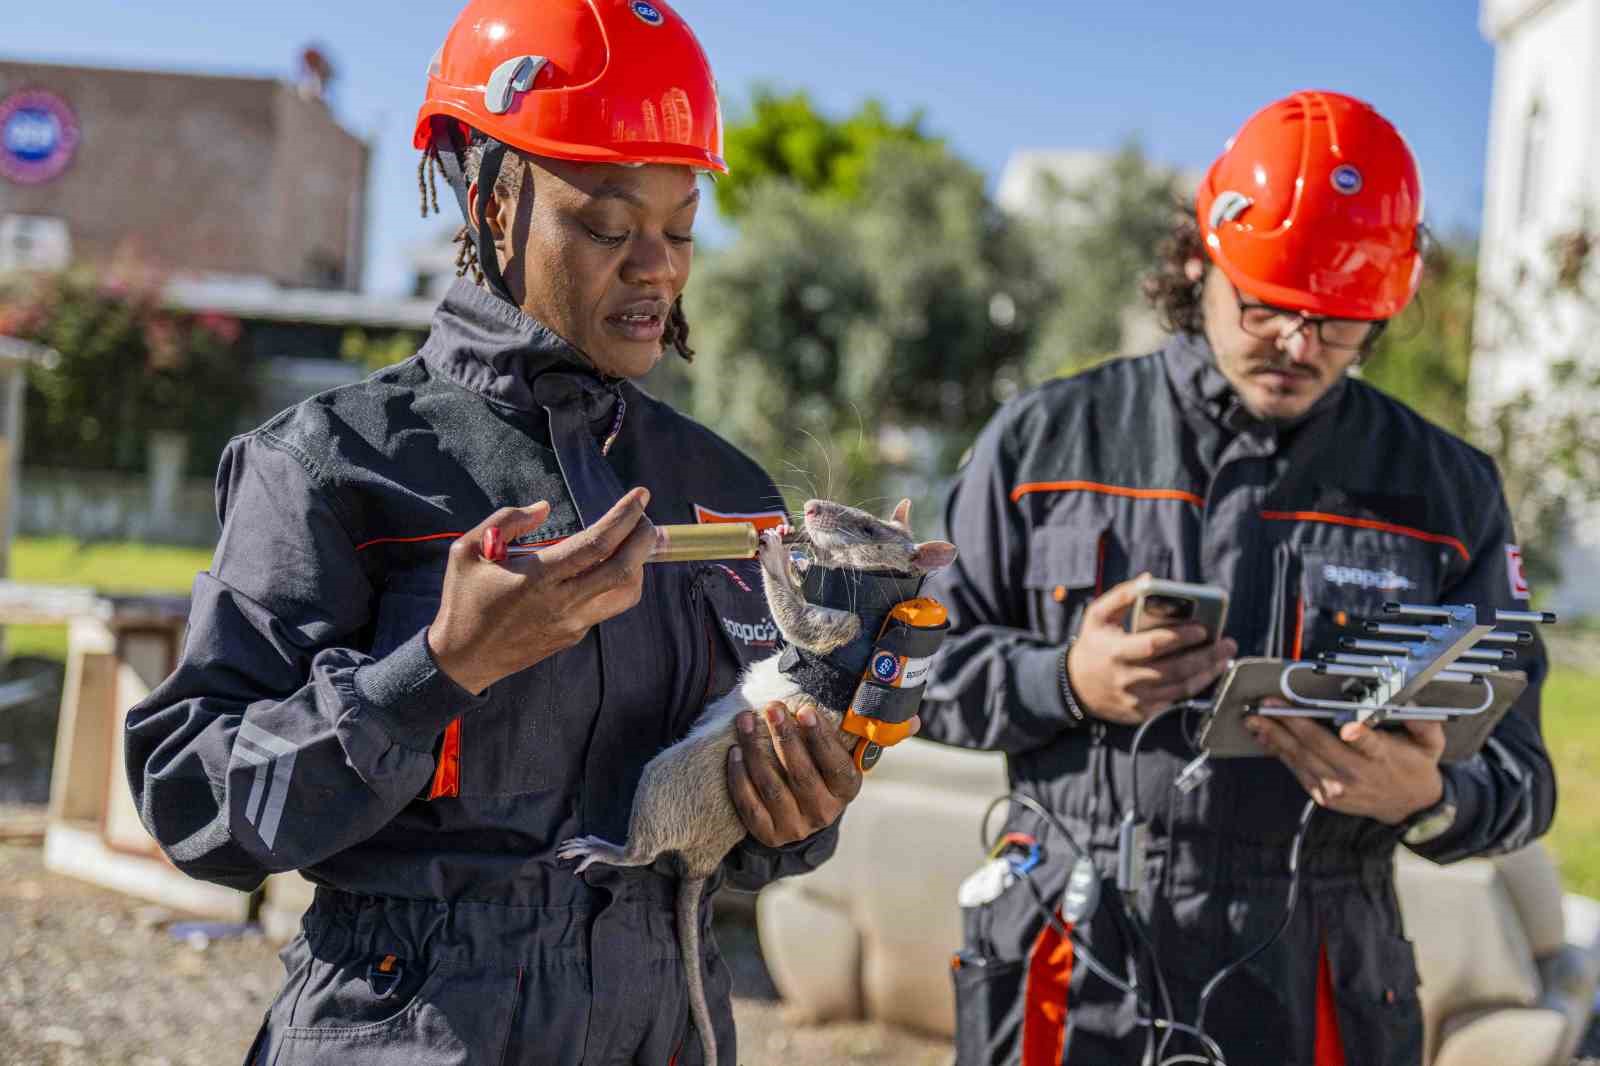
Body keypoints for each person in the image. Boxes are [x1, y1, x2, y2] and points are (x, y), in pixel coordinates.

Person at [124, 2, 878, 1062]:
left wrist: (794, 808)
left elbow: (738, 845)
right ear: (487, 201)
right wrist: (439, 666)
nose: (656, 266)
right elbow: (191, 800)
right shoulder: (335, 463)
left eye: (682, 227)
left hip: (662, 1026)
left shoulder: (722, 487)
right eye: (610, 226)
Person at [921, 90, 1555, 1066]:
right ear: (1196, 259)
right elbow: (909, 667)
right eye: (1267, 307)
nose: (1299, 346)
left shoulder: (1446, 489)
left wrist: (1427, 792)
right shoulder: (1045, 438)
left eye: (1338, 321)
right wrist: (1066, 681)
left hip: (1318, 979)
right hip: (1069, 955)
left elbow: (1524, 775)